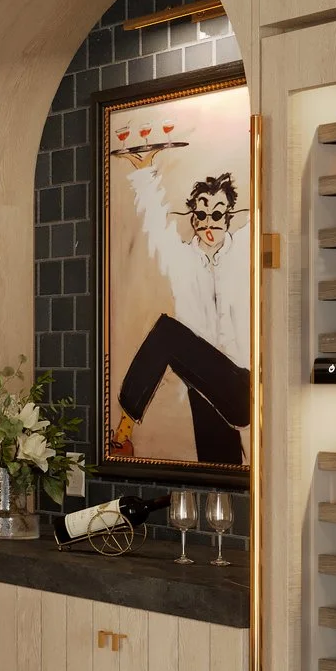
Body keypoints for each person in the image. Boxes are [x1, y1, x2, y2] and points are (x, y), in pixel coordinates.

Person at [104, 159, 250, 467]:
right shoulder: (183, 258)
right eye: (202, 214)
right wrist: (145, 173)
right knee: (219, 468)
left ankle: (123, 431)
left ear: (228, 217)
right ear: (193, 219)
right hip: (202, 384)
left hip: (240, 383)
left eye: (217, 214)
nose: (209, 223)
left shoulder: (242, 252)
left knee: (166, 335)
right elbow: (156, 226)